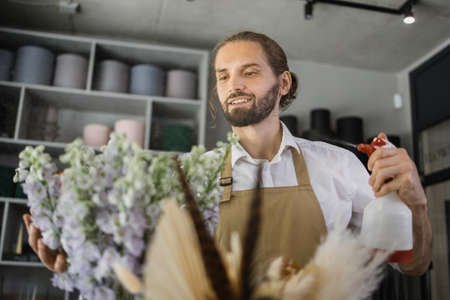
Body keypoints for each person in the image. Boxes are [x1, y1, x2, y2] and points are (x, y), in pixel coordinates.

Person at [24, 31, 432, 277]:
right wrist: (76, 261)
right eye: (223, 75)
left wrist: (416, 208)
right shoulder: (185, 174)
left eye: (249, 71)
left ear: (284, 82)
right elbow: (139, 267)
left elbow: (411, 265)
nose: (233, 84)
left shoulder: (339, 165)